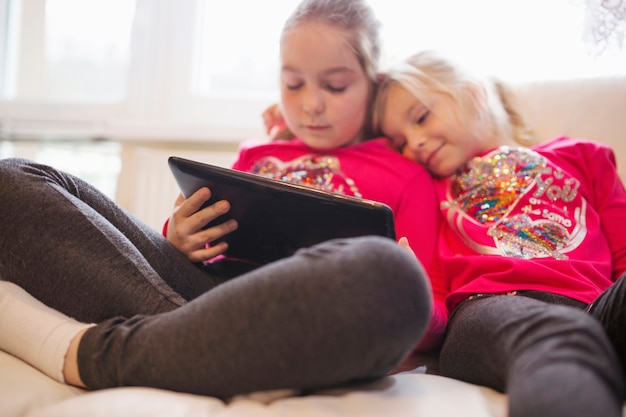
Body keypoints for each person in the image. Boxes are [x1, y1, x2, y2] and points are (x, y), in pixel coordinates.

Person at [0, 0, 436, 399]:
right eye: (292, 84)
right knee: (13, 178)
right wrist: (180, 239)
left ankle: (97, 352)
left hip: (306, 319)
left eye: (335, 86)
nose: (310, 105)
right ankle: (206, 356)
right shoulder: (256, 154)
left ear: (374, 85)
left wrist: (405, 272)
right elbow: (183, 261)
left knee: (393, 275)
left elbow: (430, 309)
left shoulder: (405, 173)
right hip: (201, 299)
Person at [372, 50, 626, 417]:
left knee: (573, 333)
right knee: (554, 337)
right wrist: (414, 298)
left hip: (594, 309)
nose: (415, 143)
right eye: (400, 143)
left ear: (473, 94)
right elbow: (437, 312)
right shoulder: (428, 191)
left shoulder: (584, 157)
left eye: (422, 117)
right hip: (488, 311)